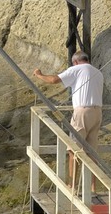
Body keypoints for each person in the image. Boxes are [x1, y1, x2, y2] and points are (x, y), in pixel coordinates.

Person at [34, 51, 104, 180]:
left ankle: (72, 185)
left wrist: (39, 75)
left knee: (74, 149)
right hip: (97, 113)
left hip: (82, 112)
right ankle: (92, 188)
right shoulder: (98, 72)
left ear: (76, 61)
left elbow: (54, 80)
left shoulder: (76, 69)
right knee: (92, 153)